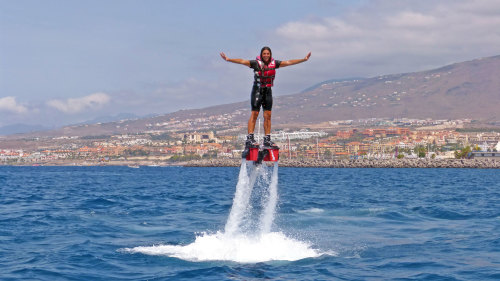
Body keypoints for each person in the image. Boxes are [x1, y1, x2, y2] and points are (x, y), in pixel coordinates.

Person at [220, 46, 311, 150]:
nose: (266, 55)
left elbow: (289, 62)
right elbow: (242, 61)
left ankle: (267, 139)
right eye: (264, 54)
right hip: (257, 90)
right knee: (255, 114)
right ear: (261, 55)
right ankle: (250, 138)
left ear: (270, 55)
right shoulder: (255, 63)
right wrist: (228, 59)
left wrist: (304, 59)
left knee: (268, 115)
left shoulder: (275, 63)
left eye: (268, 54)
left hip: (268, 91)